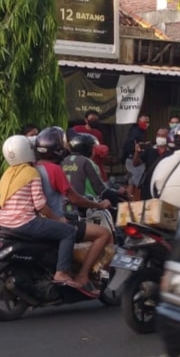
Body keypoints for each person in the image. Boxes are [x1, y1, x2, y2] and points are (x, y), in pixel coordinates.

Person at [35, 127, 112, 297]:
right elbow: (76, 198)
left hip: (39, 221)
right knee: (103, 234)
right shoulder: (55, 169)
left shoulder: (34, 168)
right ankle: (83, 275)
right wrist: (99, 205)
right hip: (55, 220)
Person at [0, 135, 77, 286]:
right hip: (24, 223)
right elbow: (40, 205)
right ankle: (61, 272)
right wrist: (59, 219)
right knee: (69, 231)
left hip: (5, 224)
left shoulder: (7, 173)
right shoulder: (31, 172)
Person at [134, 127, 172, 200]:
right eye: (158, 135)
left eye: (163, 136)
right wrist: (137, 152)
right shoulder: (150, 150)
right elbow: (136, 163)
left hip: (165, 186)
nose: (160, 137)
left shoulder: (172, 152)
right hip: (148, 186)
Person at [71, 111, 109, 181]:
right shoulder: (76, 129)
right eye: (92, 119)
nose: (94, 121)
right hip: (80, 161)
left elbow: (100, 149)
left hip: (94, 163)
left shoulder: (98, 133)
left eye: (96, 119)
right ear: (86, 120)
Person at [122, 114, 151, 194]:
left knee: (133, 180)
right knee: (136, 179)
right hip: (132, 158)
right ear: (139, 121)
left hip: (133, 158)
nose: (146, 124)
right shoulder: (135, 132)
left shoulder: (139, 131)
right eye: (144, 122)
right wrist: (143, 145)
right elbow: (131, 145)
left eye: (148, 122)